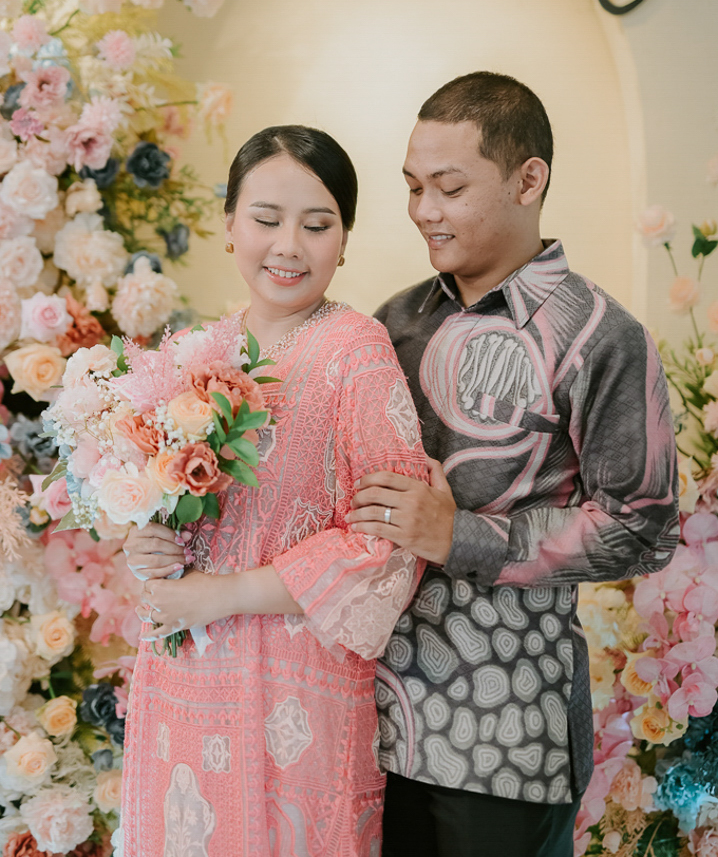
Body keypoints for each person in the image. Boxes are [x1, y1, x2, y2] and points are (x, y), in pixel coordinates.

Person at [345, 71, 680, 857]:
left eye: (450, 187)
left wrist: (459, 534)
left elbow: (644, 528)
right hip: (369, 721)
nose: (424, 210)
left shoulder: (600, 336)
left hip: (504, 739)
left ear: (529, 180)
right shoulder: (393, 323)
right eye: (413, 187)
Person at [120, 125, 429, 857]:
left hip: (293, 699)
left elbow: (389, 539)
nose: (289, 245)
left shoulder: (357, 350)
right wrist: (147, 541)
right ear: (230, 224)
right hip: (182, 681)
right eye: (266, 219)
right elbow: (169, 504)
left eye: (317, 225)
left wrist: (226, 594)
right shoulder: (194, 353)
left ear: (344, 241)